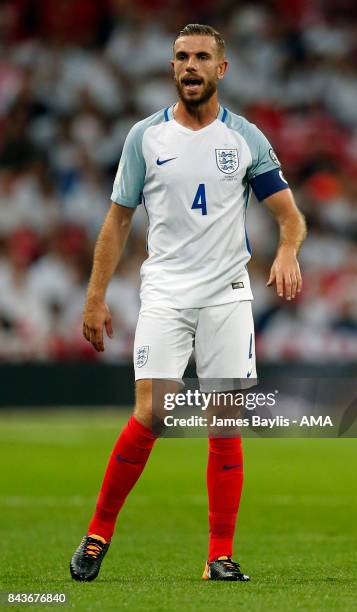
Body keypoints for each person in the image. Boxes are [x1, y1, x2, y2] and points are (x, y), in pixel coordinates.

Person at [70, 23, 306, 583]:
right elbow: (118, 220)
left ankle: (218, 556)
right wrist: (95, 296)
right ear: (172, 68)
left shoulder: (245, 138)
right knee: (152, 414)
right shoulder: (144, 138)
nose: (190, 66)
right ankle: (98, 534)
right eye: (181, 57)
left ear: (221, 69)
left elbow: (290, 217)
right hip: (166, 291)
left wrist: (289, 252)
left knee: (224, 419)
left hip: (227, 292)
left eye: (201, 57)